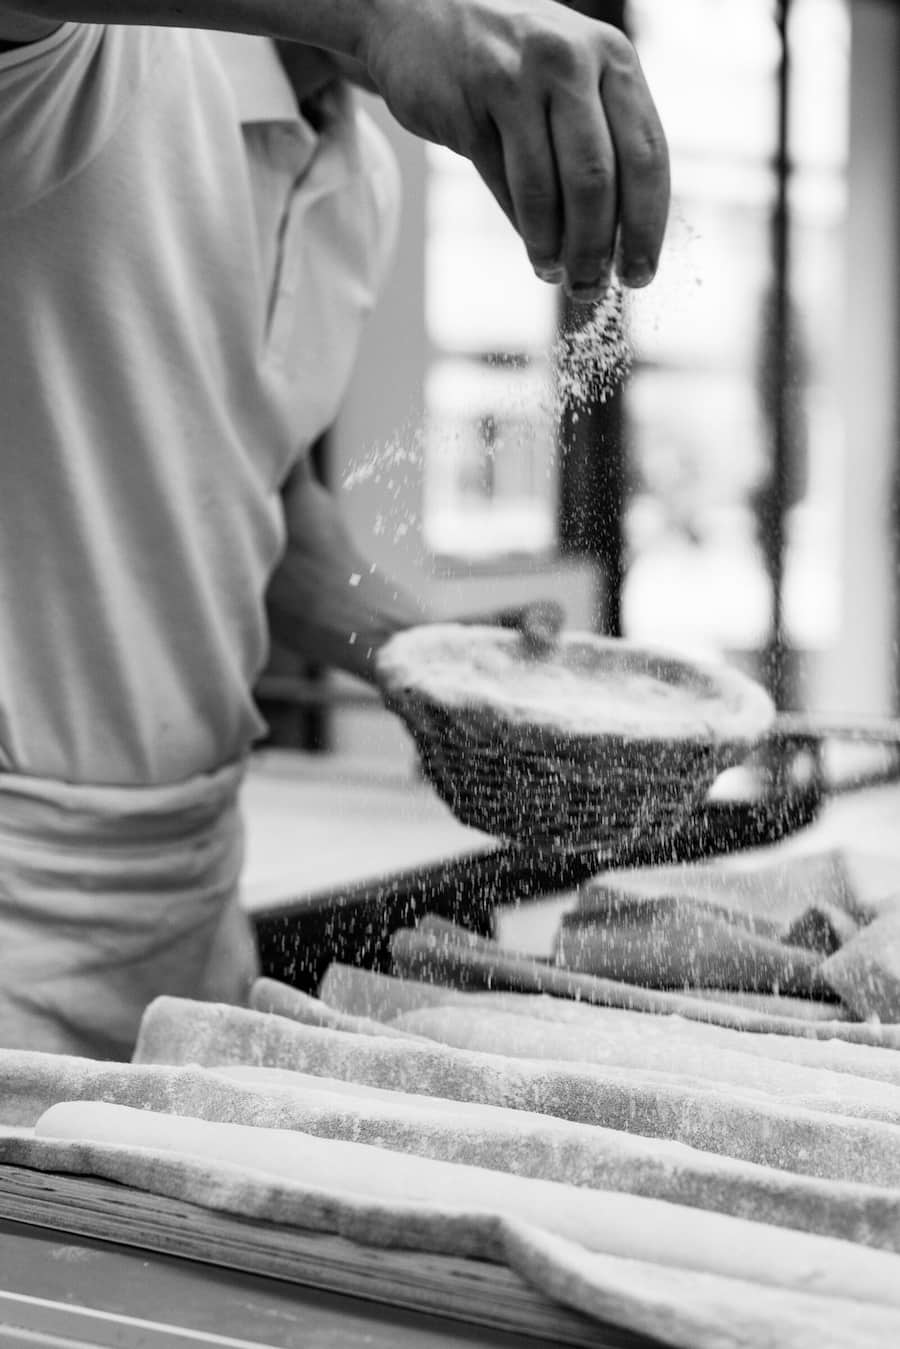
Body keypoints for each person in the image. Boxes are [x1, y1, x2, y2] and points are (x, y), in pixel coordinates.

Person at [0, 0, 670, 1059]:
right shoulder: (83, 54)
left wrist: (450, 671)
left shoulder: (364, 175)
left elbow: (242, 494)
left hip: (193, 923)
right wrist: (394, 16)